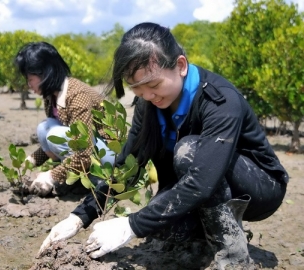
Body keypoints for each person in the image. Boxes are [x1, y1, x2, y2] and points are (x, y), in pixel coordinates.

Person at [37, 22, 288, 269]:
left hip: (260, 187)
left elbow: (202, 181)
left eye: (154, 85)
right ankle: (205, 237)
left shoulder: (220, 101)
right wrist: (80, 216)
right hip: (201, 184)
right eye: (138, 89)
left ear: (180, 65)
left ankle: (234, 260)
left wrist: (130, 225)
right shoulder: (148, 106)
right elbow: (127, 167)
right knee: (162, 226)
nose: (147, 96)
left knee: (188, 151)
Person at [14, 41, 115, 197]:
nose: (28, 85)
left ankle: (95, 177)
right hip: (89, 149)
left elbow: (84, 152)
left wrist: (51, 176)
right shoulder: (50, 96)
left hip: (108, 156)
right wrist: (29, 162)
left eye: (30, 79)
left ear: (44, 74)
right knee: (44, 128)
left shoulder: (77, 96)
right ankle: (73, 172)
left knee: (54, 134)